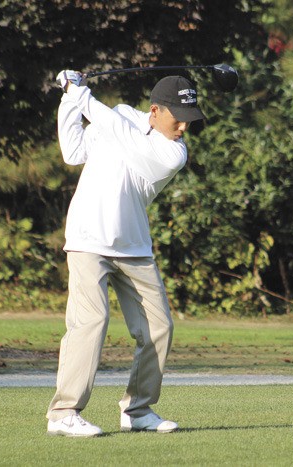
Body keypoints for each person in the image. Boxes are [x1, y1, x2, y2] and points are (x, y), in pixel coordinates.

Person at [46, 70, 206, 437]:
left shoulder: (172, 153)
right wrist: (68, 98)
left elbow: (114, 128)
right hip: (88, 238)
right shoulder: (119, 117)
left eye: (190, 121)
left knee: (158, 327)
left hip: (133, 246)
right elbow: (73, 151)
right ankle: (63, 413)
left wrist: (77, 90)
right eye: (178, 118)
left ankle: (138, 409)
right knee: (91, 321)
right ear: (155, 110)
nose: (184, 128)